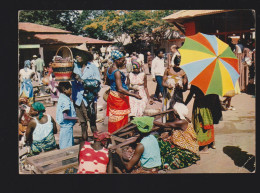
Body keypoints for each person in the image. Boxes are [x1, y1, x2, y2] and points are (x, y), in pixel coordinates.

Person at [153, 99, 200, 170]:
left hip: (187, 151)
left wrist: (150, 120)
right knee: (159, 142)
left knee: (168, 159)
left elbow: (164, 125)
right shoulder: (184, 119)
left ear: (175, 114)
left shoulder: (182, 122)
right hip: (179, 147)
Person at [106, 50, 142, 134]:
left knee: (114, 118)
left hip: (112, 96)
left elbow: (107, 82)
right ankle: (120, 136)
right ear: (117, 60)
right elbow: (120, 89)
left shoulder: (108, 69)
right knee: (121, 119)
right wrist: (134, 95)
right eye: (122, 60)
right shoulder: (117, 72)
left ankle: (113, 134)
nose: (124, 62)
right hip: (119, 98)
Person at [71, 49, 101, 141]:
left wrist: (82, 81)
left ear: (85, 56)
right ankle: (84, 145)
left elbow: (97, 83)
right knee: (83, 125)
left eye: (79, 55)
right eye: (76, 55)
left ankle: (97, 144)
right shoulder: (74, 67)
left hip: (89, 99)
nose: (77, 57)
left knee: (92, 124)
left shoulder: (93, 68)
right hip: (78, 99)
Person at [184, 85, 215, 153]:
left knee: (200, 125)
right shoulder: (210, 83)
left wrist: (185, 103)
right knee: (207, 123)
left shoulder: (195, 83)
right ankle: (210, 143)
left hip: (199, 105)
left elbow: (190, 94)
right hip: (207, 106)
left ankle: (204, 146)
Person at [162, 55, 188, 122]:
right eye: (176, 64)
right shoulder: (168, 70)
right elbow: (163, 83)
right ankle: (167, 124)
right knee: (167, 108)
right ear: (174, 63)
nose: (178, 66)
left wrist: (180, 88)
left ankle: (176, 126)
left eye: (179, 64)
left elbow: (185, 88)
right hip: (168, 95)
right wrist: (168, 86)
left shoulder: (183, 72)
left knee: (177, 110)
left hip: (178, 96)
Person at [56, 82, 78, 149]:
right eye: (70, 89)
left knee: (64, 143)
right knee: (67, 146)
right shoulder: (65, 100)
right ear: (64, 90)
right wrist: (76, 118)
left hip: (64, 126)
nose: (71, 91)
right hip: (66, 126)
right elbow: (65, 116)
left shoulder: (62, 98)